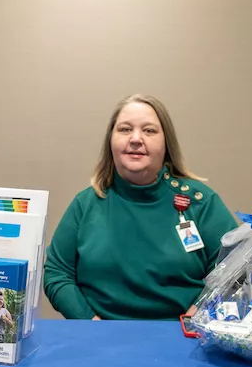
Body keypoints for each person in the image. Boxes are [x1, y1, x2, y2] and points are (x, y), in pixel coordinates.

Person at [43, 94, 238, 321]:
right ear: (111, 141)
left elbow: (236, 269)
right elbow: (57, 273)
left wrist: (204, 309)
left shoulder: (200, 201)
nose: (136, 139)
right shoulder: (86, 204)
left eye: (149, 131)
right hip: (100, 338)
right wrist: (89, 322)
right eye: (125, 130)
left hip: (181, 338)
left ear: (166, 144)